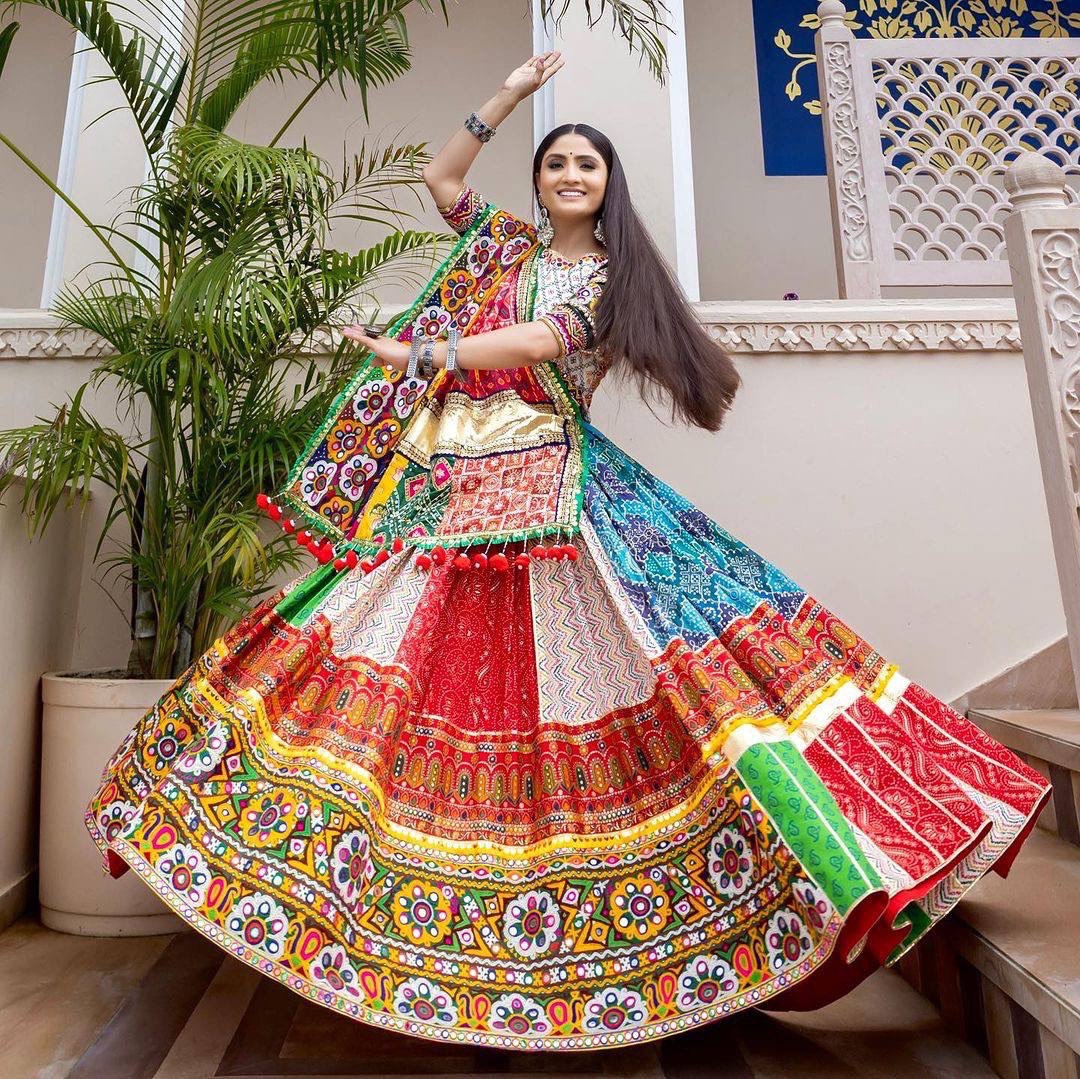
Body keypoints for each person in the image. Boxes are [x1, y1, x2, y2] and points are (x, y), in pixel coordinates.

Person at [87, 52, 1051, 1051]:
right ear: (541, 183)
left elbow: (546, 345)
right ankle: (426, 932)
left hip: (558, 496)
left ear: (608, 186)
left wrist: (430, 354)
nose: (572, 175)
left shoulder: (606, 274)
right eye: (558, 164)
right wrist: (505, 97)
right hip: (450, 496)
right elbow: (442, 181)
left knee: (653, 693)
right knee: (405, 682)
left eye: (588, 164)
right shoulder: (499, 244)